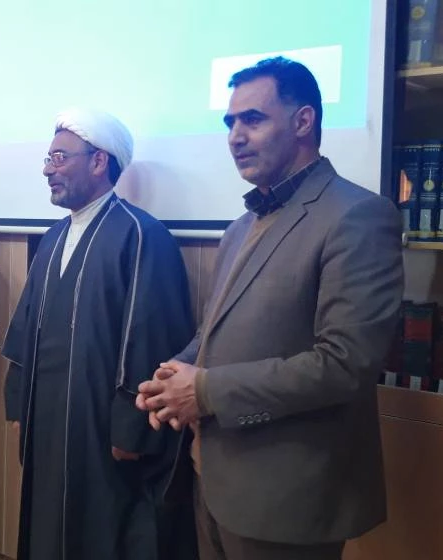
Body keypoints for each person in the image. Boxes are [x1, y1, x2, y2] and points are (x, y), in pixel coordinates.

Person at [136, 57, 404, 560]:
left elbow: (346, 364)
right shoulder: (240, 226)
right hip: (212, 481)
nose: (235, 136)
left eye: (252, 119)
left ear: (303, 121)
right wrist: (171, 377)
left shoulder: (358, 215)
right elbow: (215, 329)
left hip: (288, 500)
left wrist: (204, 390)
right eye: (229, 123)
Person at [2, 108, 197, 560]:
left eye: (60, 158)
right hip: (46, 418)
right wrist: (18, 402)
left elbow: (152, 339)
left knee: (101, 531)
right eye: (48, 158)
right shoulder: (52, 237)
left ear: (98, 161)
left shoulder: (141, 235)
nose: (48, 170)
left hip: (101, 430)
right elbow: (26, 326)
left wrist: (132, 427)